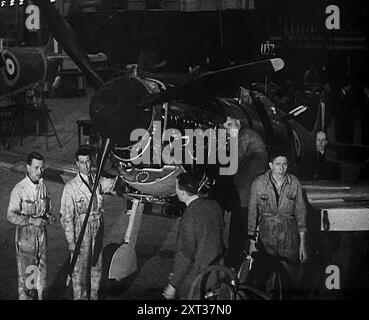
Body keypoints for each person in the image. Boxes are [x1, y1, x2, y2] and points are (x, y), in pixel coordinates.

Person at [60, 145, 117, 300]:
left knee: (96, 265)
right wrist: (71, 241)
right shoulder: (71, 187)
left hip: (97, 227)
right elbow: (66, 217)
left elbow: (112, 182)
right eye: (82, 162)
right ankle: (80, 297)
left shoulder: (96, 181)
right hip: (81, 230)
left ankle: (94, 296)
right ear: (77, 164)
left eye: (88, 162)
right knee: (79, 270)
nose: (85, 166)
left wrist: (113, 164)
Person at [248, 153, 307, 296]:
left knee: (290, 278)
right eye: (278, 164)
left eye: (284, 164)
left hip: (289, 238)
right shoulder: (259, 183)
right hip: (267, 238)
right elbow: (252, 212)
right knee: (265, 278)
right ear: (270, 165)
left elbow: (301, 213)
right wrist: (251, 241)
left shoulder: (294, 183)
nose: (282, 168)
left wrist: (302, 244)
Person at [215, 114, 268, 270]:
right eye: (226, 127)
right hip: (246, 190)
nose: (229, 129)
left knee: (238, 230)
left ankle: (235, 264)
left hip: (245, 194)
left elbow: (234, 160)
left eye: (230, 125)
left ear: (237, 122)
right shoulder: (246, 135)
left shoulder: (245, 136)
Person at [163, 173, 225, 300]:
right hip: (217, 273)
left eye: (176, 187)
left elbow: (186, 255)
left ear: (182, 192)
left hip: (196, 279)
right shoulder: (214, 205)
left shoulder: (190, 216)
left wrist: (173, 284)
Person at [7, 152, 53, 300]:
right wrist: (32, 221)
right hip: (27, 240)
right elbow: (11, 215)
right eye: (36, 168)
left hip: (42, 238)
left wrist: (49, 216)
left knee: (42, 280)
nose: (39, 171)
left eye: (41, 168)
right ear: (28, 167)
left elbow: (48, 207)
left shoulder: (43, 187)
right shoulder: (19, 189)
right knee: (29, 282)